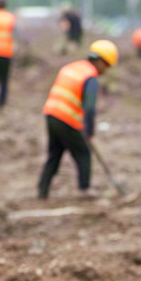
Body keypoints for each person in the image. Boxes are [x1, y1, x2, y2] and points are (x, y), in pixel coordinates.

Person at [37, 39, 118, 199]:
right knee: (83, 153)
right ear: (101, 62)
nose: (105, 70)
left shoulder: (72, 67)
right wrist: (89, 132)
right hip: (66, 118)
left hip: (51, 114)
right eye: (107, 66)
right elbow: (90, 108)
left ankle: (42, 190)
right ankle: (84, 189)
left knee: (54, 154)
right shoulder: (90, 77)